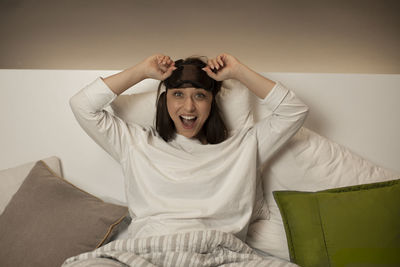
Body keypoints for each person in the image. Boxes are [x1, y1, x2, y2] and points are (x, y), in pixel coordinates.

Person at [69, 53, 309, 243]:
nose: (189, 107)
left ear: (212, 102)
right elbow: (82, 105)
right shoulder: (135, 142)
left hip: (221, 252)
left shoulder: (244, 146)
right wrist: (141, 71)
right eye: (178, 94)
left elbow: (295, 111)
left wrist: (238, 71)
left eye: (200, 96)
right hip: (150, 250)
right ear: (165, 100)